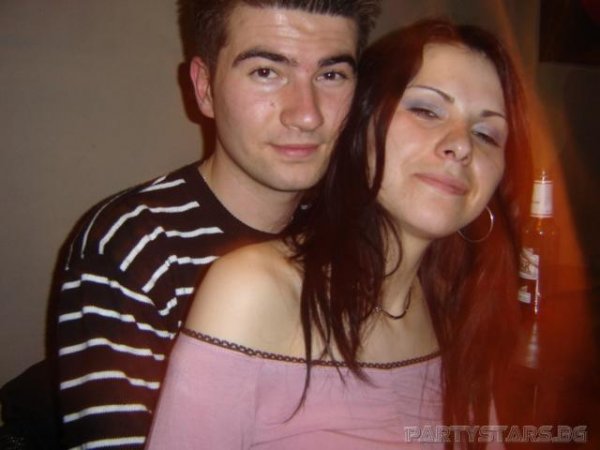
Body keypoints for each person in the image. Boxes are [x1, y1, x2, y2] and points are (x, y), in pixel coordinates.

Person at [146, 17, 533, 449]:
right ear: (358, 123)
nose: (461, 145)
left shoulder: (460, 314)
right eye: (426, 110)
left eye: (486, 133)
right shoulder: (253, 292)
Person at [52, 1, 382, 448]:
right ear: (204, 88)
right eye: (266, 71)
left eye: (331, 75)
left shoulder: (356, 236)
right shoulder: (132, 247)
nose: (307, 114)